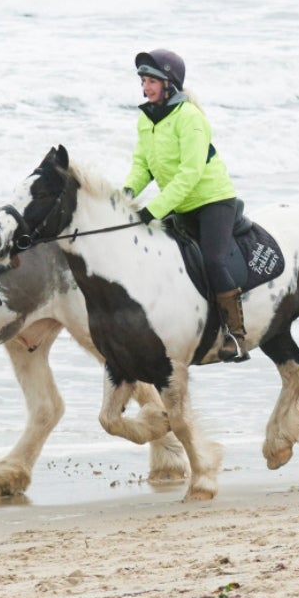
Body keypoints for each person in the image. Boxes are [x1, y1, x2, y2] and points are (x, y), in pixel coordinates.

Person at [124, 48, 249, 362]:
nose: (145, 86)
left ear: (170, 83)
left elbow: (190, 173)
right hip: (179, 203)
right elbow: (143, 166)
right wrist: (124, 194)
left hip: (212, 201)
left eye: (152, 80)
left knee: (212, 261)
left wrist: (154, 210)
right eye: (143, 80)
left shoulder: (190, 117)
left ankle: (236, 335)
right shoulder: (147, 118)